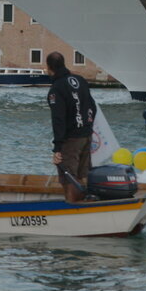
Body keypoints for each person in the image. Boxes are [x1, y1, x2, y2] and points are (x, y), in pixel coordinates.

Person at [45, 51, 96, 202]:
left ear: (49, 68)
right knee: (83, 174)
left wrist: (58, 147)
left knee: (69, 177)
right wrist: (88, 126)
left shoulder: (57, 88)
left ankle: (73, 208)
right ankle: (86, 205)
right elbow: (92, 107)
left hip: (71, 139)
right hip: (86, 135)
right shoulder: (80, 80)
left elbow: (58, 119)